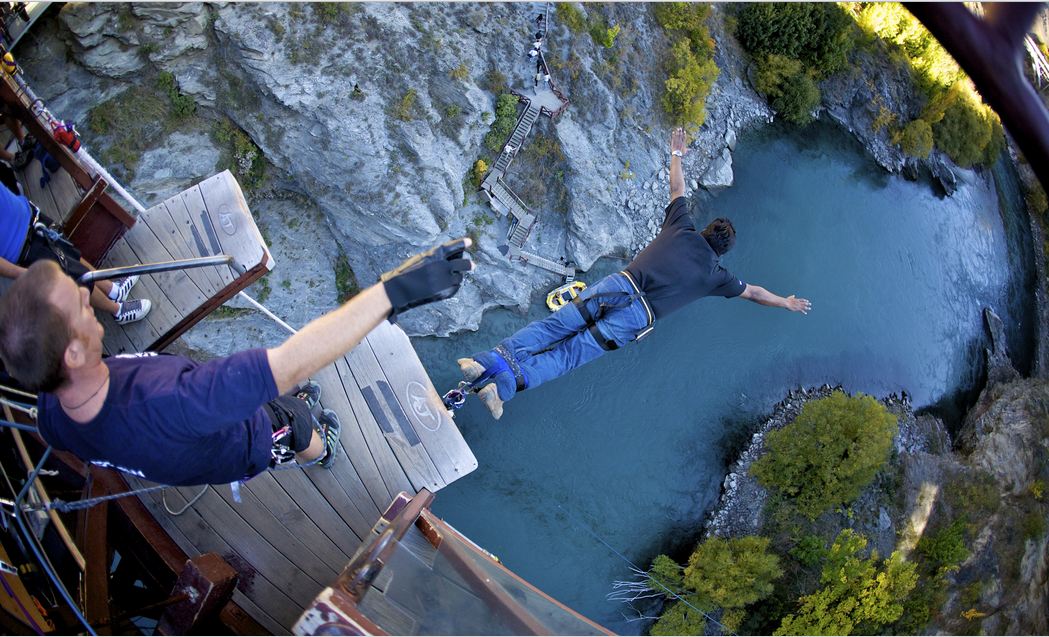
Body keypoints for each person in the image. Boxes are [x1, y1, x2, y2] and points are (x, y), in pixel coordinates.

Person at [0, 238, 472, 486]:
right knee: (293, 417)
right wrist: (394, 292)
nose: (87, 292)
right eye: (76, 300)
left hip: (191, 441)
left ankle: (298, 426)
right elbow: (289, 362)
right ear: (73, 354)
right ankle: (321, 449)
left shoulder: (53, 411)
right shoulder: (172, 402)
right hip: (246, 438)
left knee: (279, 397)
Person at [458, 128, 812, 419]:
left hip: (617, 285)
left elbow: (677, 189)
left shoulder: (681, 226)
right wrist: (786, 302)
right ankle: (502, 387)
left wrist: (676, 155)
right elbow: (754, 293)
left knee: (553, 327)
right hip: (635, 317)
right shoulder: (716, 276)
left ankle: (486, 362)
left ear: (706, 230)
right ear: (722, 251)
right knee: (566, 354)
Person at [0, 173, 151, 324]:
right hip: (22, 246)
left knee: (71, 255)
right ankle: (117, 310)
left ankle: (113, 290)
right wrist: (23, 273)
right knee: (75, 277)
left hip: (32, 218)